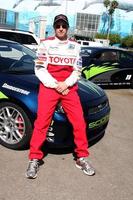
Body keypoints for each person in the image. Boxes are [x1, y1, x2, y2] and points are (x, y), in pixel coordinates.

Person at [26, 14, 95, 179]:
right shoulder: (45, 43)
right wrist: (57, 85)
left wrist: (66, 84)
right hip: (50, 87)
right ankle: (35, 158)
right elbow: (40, 69)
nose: (61, 28)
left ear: (68, 27)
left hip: (69, 88)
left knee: (79, 121)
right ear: (54, 27)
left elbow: (77, 70)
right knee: (42, 122)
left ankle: (81, 158)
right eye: (58, 25)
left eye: (64, 25)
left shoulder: (75, 46)